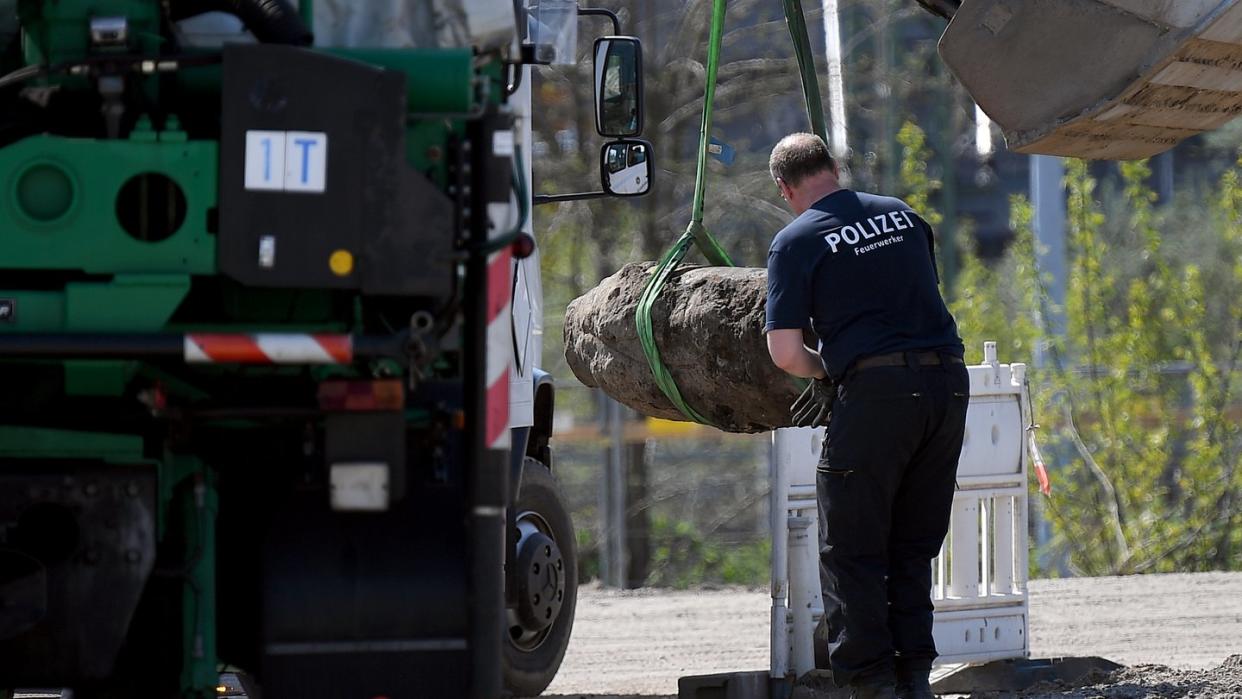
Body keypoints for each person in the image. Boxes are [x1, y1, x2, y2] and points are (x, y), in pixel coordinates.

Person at [764, 133, 969, 699]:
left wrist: (829, 370)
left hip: (878, 392)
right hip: (947, 384)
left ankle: (871, 684)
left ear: (786, 189)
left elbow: (784, 352)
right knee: (912, 541)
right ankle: (915, 679)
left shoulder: (795, 240)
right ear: (833, 167)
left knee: (852, 546)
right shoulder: (902, 215)